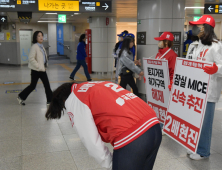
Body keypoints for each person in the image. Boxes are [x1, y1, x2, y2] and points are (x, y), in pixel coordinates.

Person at [45, 81, 162, 170]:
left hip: (133, 137)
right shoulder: (97, 84)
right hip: (154, 125)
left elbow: (90, 140)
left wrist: (112, 163)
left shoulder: (74, 98)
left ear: (63, 100)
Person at [186, 15, 222, 160]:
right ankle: (195, 146)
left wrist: (216, 69)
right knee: (196, 121)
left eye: (199, 26)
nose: (195, 29)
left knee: (205, 124)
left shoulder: (216, 46)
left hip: (209, 91)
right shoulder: (198, 44)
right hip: (196, 90)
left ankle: (203, 151)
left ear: (205, 28)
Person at [17, 31, 52, 107]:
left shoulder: (41, 46)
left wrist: (44, 66)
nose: (41, 37)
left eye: (42, 35)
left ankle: (50, 101)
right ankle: (21, 96)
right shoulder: (34, 46)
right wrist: (38, 66)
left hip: (42, 70)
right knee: (33, 86)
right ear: (35, 38)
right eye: (39, 36)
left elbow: (44, 58)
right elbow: (31, 58)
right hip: (36, 70)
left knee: (47, 85)